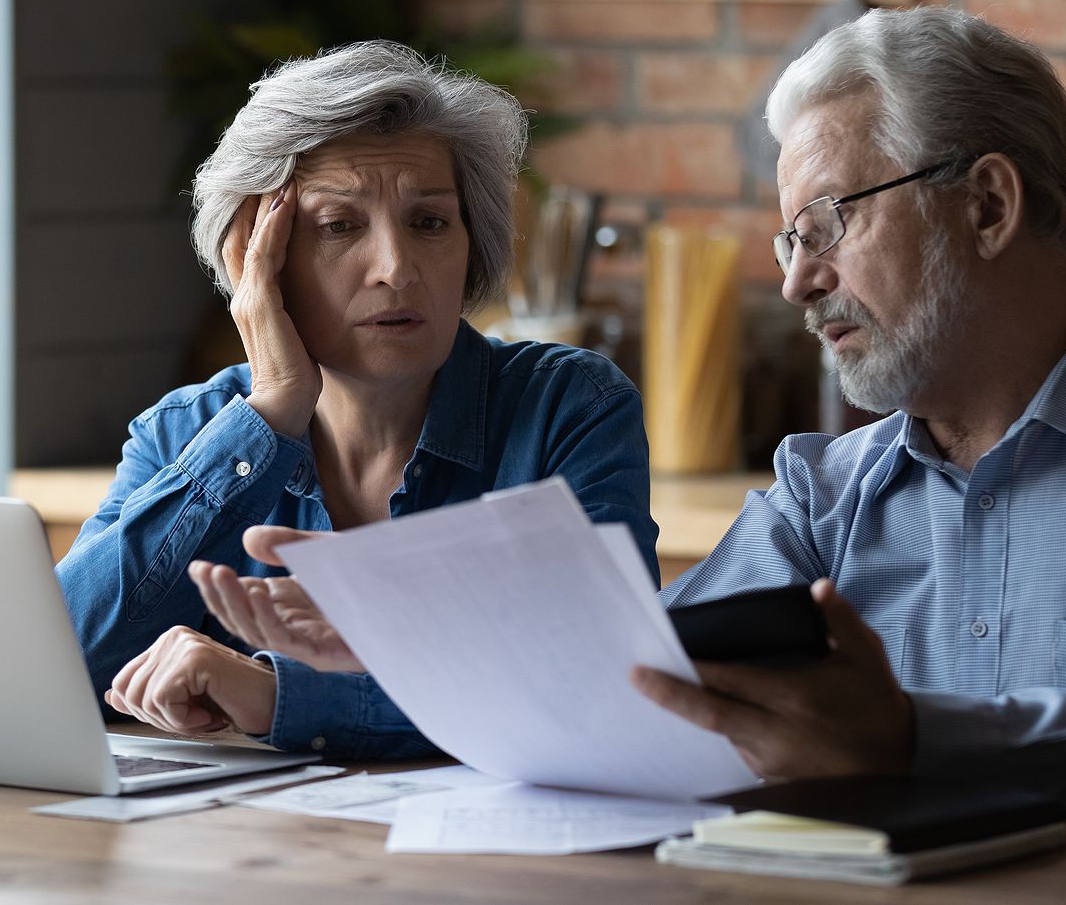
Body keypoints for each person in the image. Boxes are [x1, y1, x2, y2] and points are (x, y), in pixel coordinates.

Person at [204, 7, 1066, 808]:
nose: (799, 282)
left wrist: (906, 737)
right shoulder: (820, 493)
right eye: (788, 240)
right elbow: (641, 686)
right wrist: (411, 642)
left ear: (986, 204)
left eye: (826, 225)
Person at [55, 41, 657, 760]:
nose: (397, 268)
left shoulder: (569, 407)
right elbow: (49, 667)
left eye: (430, 222)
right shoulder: (187, 431)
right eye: (340, 226)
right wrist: (271, 411)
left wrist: (279, 696)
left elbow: (606, 682)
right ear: (257, 259)